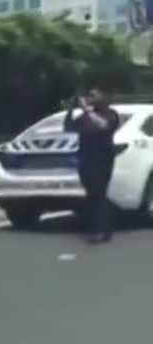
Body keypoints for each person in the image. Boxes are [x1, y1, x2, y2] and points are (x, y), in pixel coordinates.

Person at [63, 86, 120, 243]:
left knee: (99, 194)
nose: (89, 98)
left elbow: (103, 126)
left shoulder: (110, 114)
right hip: (85, 159)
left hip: (102, 160)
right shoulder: (84, 117)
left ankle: (102, 230)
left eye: (93, 95)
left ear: (103, 97)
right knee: (91, 196)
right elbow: (68, 128)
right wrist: (70, 110)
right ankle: (95, 227)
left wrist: (87, 111)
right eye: (88, 95)